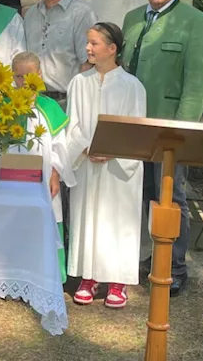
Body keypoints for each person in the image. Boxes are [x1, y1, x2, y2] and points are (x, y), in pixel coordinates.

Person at [121, 0, 203, 298]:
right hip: (134, 127)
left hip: (170, 129)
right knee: (142, 196)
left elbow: (197, 82)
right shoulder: (132, 20)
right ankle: (150, 258)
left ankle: (174, 267)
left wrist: (183, 130)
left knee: (170, 198)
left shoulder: (195, 22)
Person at [63, 22, 147, 308]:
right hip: (87, 162)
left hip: (118, 168)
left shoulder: (132, 87)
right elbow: (72, 125)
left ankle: (117, 280)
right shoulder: (78, 83)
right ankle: (88, 276)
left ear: (112, 49)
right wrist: (85, 148)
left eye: (94, 43)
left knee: (117, 220)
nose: (88, 48)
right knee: (88, 217)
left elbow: (137, 130)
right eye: (88, 42)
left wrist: (113, 150)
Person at [12, 51, 70, 281]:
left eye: (29, 76)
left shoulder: (50, 107)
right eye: (18, 77)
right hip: (13, 177)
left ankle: (49, 273)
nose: (24, 82)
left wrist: (55, 174)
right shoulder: (5, 105)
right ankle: (16, 273)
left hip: (44, 177)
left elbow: (60, 146)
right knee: (16, 220)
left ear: (39, 74)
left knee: (47, 219)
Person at [23, 0, 97, 107]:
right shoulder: (31, 14)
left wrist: (80, 105)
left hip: (67, 103)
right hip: (33, 102)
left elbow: (88, 63)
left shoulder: (81, 13)